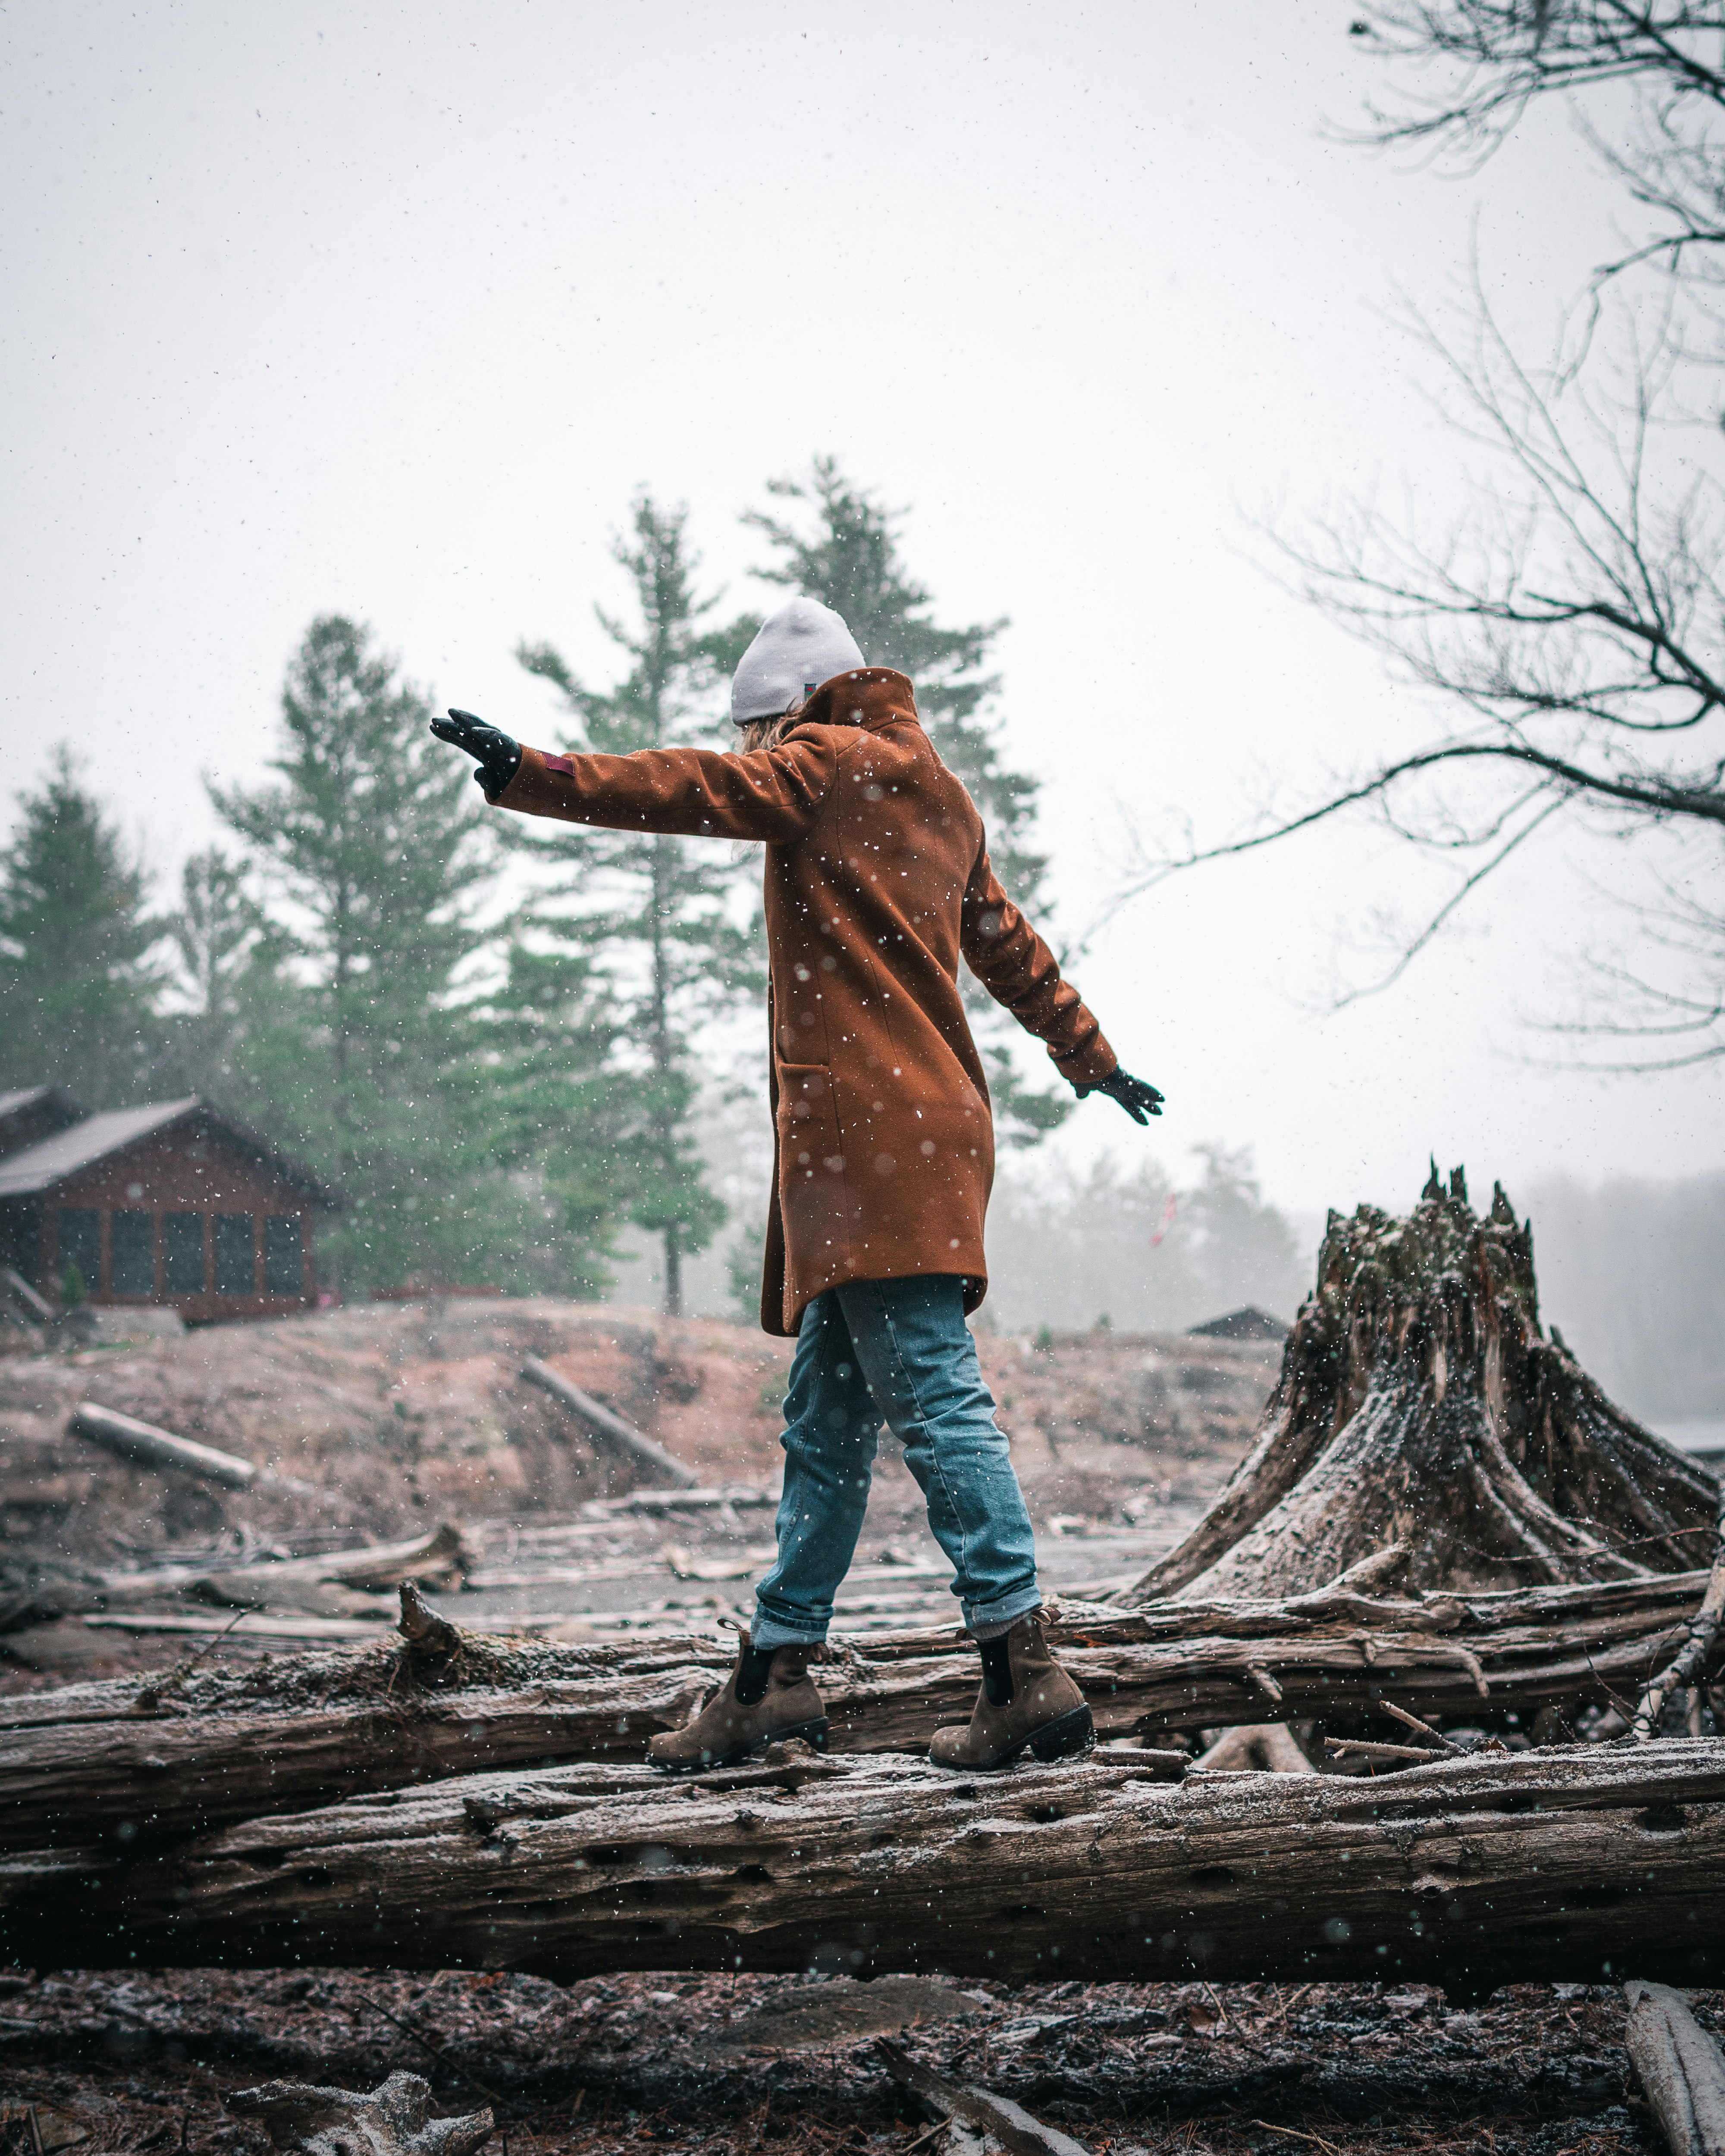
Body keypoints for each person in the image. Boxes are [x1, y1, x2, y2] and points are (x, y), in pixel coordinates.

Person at [431, 595, 1163, 1772]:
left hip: (865, 1148)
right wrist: (1092, 1057)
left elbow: (683, 790)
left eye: (751, 738)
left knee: (935, 1398)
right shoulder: (938, 790)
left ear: (783, 717)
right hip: (930, 1137)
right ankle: (775, 1680)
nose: (746, 760)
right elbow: (1012, 946)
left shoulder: (818, 766)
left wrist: (536, 771)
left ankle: (1025, 1673)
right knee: (827, 1423)